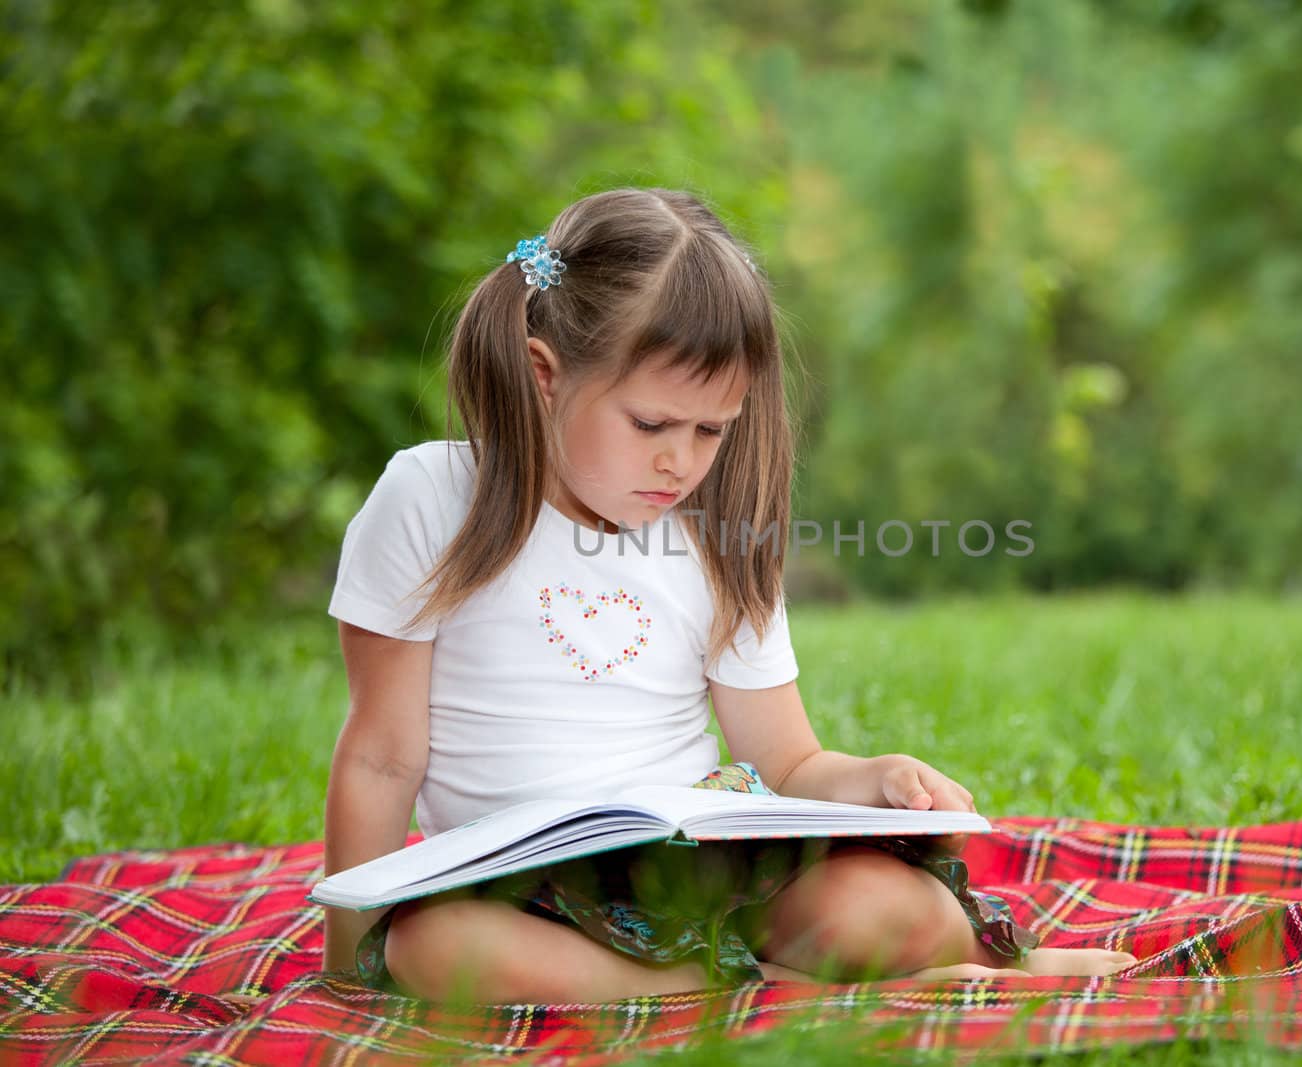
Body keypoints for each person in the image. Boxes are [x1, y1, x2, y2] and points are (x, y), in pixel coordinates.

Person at [321, 187, 1136, 1002]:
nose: (682, 461)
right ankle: (780, 988)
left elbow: (788, 761)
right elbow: (383, 754)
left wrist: (880, 776)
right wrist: (349, 958)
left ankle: (928, 967)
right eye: (651, 425)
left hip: (704, 865)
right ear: (544, 374)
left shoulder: (716, 532)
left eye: (712, 430)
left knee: (891, 909)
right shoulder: (431, 496)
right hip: (522, 889)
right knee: (433, 948)